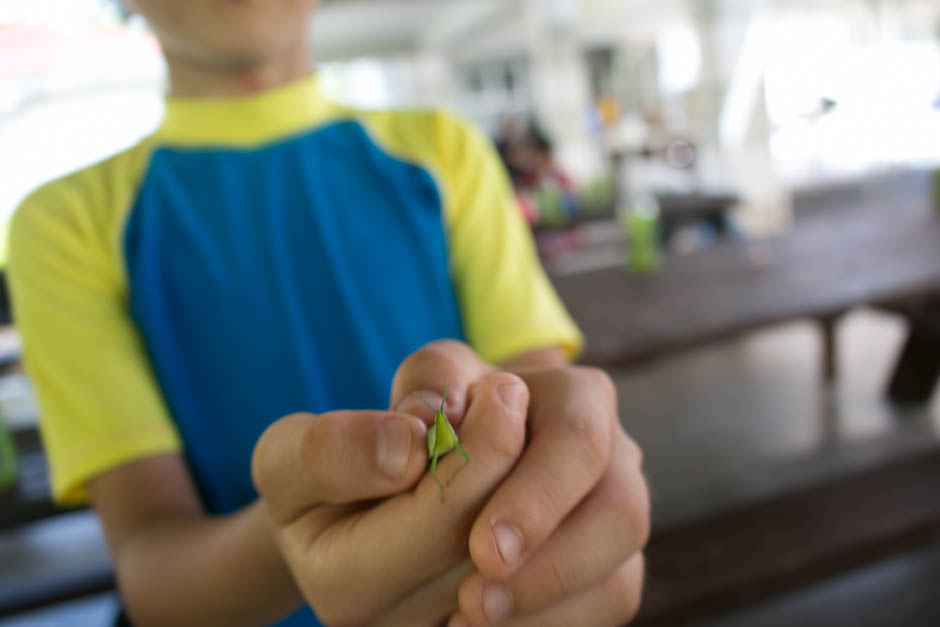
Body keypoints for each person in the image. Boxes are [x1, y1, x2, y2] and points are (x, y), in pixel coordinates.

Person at [8, 1, 649, 626]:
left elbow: (542, 411)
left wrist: (568, 474)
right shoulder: (61, 226)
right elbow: (151, 573)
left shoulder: (445, 151)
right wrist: (298, 541)